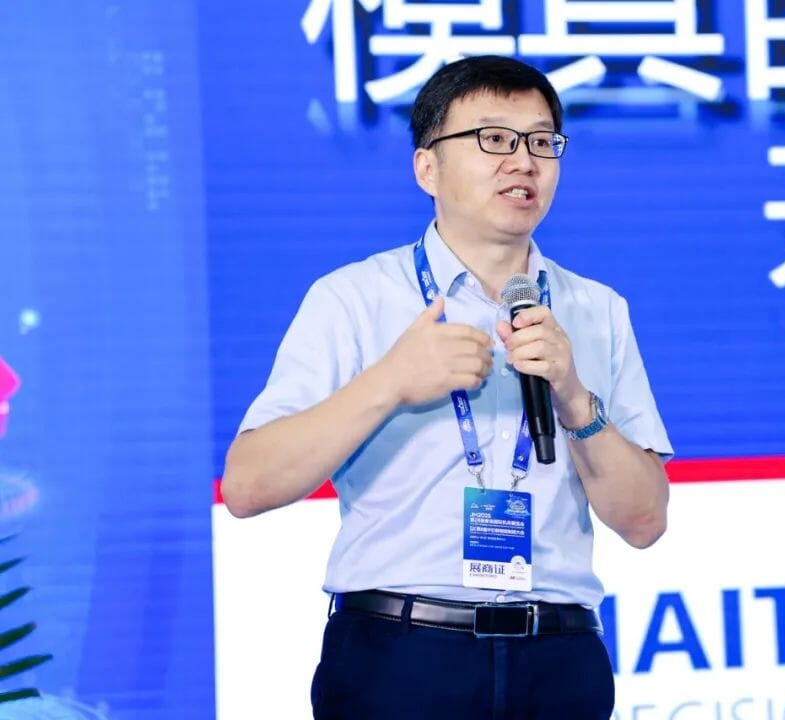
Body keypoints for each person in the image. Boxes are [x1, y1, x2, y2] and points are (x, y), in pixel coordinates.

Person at [221, 55, 673, 720]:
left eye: (541, 141)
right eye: (494, 138)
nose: (523, 162)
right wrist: (390, 382)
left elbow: (645, 521)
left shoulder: (597, 310)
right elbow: (246, 485)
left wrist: (575, 398)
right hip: (401, 656)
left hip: (559, 659)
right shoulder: (354, 298)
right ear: (426, 168)